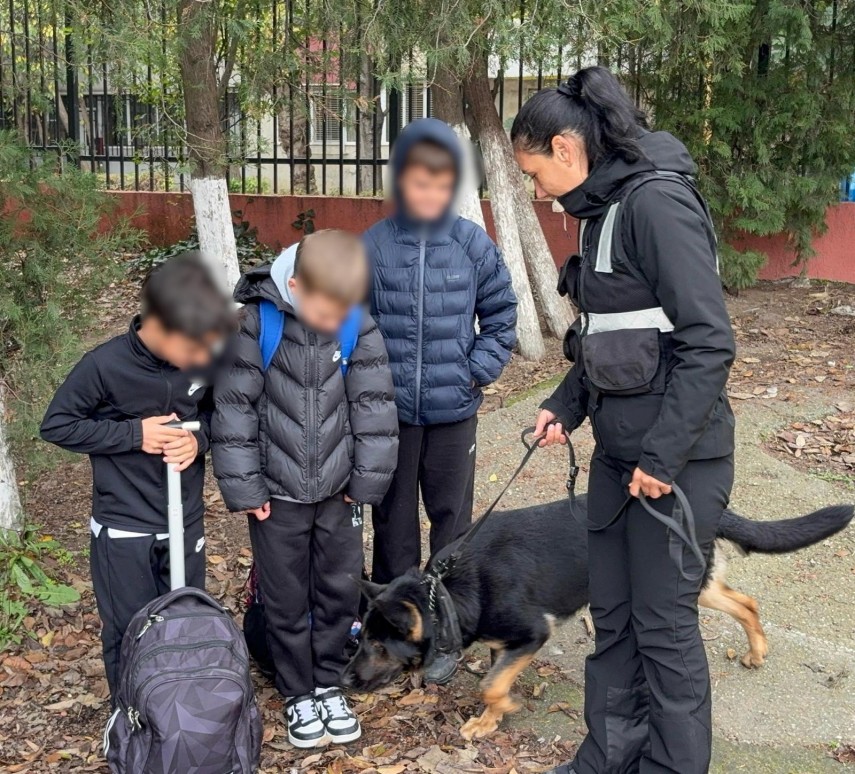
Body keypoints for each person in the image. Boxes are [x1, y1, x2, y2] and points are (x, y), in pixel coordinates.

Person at [511, 67, 735, 774]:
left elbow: (708, 342)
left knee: (662, 628)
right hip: (617, 460)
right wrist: (565, 405)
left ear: (565, 149)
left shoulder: (656, 203)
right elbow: (612, 336)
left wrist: (661, 458)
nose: (535, 189)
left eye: (533, 172)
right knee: (612, 619)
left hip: (678, 465)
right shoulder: (600, 210)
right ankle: (608, 758)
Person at [211, 229, 398, 748]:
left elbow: (374, 408)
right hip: (277, 498)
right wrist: (248, 489)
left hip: (340, 495)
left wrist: (365, 481)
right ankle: (297, 691)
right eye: (325, 310)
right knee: (286, 598)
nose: (335, 319)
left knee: (339, 592)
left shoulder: (356, 324)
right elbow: (234, 410)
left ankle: (328, 682)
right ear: (294, 286)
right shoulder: (258, 322)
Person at [40, 253, 235, 701]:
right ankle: (130, 714)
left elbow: (218, 414)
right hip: (124, 526)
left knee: (186, 620)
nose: (202, 358)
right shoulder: (104, 365)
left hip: (184, 520)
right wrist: (135, 434)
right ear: (161, 327)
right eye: (193, 348)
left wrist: (199, 439)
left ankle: (181, 713)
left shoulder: (203, 356)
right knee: (130, 628)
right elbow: (58, 425)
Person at [365, 118, 518, 684]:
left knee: (452, 524)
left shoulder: (472, 244)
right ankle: (390, 629)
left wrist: (476, 371)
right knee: (393, 522)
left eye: (440, 184)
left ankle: (447, 631)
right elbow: (349, 324)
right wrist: (367, 386)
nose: (429, 195)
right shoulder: (374, 245)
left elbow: (501, 314)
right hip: (390, 416)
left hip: (454, 413)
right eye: (419, 183)